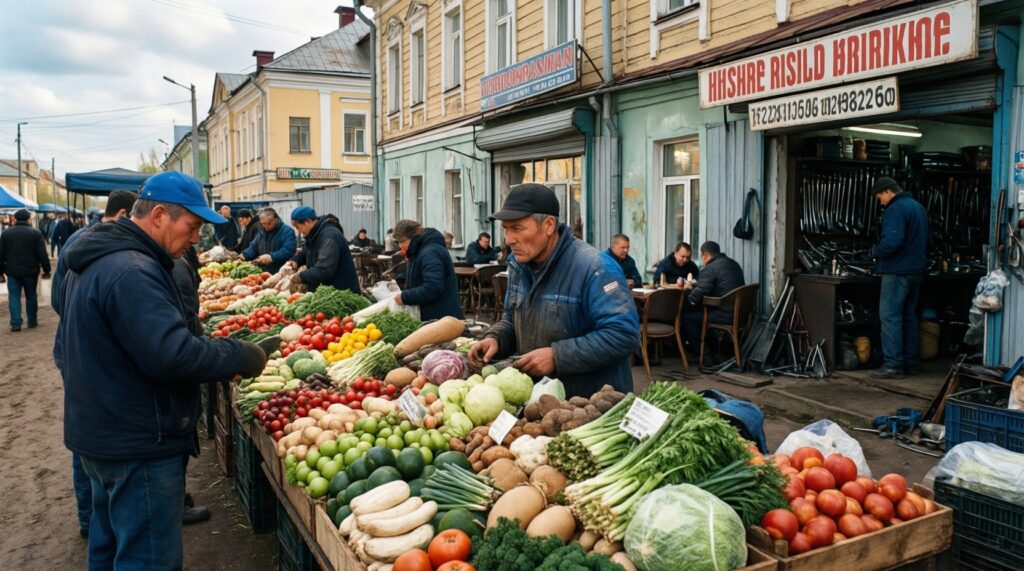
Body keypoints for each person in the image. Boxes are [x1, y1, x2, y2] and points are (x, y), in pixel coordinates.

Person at [54, 171, 267, 569]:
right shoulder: (132, 271)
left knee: (108, 546)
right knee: (148, 559)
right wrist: (237, 356)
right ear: (158, 216)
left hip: (101, 431)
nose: (195, 239)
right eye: (192, 227)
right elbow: (172, 355)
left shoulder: (98, 257)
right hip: (137, 442)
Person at [467, 184, 640, 397]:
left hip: (591, 403)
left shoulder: (595, 268)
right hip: (539, 400)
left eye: (517, 228)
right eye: (506, 229)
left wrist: (557, 357)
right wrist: (496, 339)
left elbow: (623, 335)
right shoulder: (518, 265)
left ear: (549, 225)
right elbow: (512, 320)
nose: (509, 239)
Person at [50, 190, 138, 537]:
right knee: (95, 432)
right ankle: (92, 515)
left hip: (72, 346)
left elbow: (59, 298)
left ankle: (92, 518)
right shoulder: (105, 246)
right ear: (124, 214)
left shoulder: (81, 241)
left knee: (88, 431)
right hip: (86, 350)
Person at [869, 177, 929, 379]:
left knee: (890, 316)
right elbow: (928, 241)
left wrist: (875, 250)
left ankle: (893, 365)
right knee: (908, 316)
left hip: (897, 271)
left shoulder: (895, 209)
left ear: (888, 192)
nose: (881, 202)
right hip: (916, 271)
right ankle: (911, 363)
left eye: (880, 197)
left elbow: (892, 242)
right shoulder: (918, 207)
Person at [681, 241, 745, 355]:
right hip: (741, 313)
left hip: (724, 315)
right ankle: (713, 350)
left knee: (687, 318)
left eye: (701, 256)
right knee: (698, 313)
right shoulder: (734, 264)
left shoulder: (710, 268)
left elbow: (695, 298)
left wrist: (688, 290)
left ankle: (704, 355)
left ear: (705, 255)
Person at [392, 219, 464, 321]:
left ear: (413, 237)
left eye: (402, 241)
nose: (400, 246)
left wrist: (405, 297)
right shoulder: (420, 250)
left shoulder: (430, 252)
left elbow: (433, 287)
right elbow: (419, 274)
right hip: (435, 315)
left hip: (440, 317)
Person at [287, 206, 361, 294]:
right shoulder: (313, 234)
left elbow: (323, 270)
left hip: (340, 293)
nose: (298, 231)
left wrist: (300, 277)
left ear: (308, 221)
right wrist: (296, 260)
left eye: (298, 227)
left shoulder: (329, 238)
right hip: (326, 293)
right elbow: (307, 251)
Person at [0, 209, 51, 331]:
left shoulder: (6, 234)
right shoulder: (36, 233)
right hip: (31, 271)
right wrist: (46, 270)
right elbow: (42, 254)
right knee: (31, 295)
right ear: (29, 219)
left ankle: (15, 323)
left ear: (15, 219)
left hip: (12, 271)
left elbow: (0, 254)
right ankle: (32, 321)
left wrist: (0, 272)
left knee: (14, 296)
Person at [242, 207, 296, 274]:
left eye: (268, 224)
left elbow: (288, 251)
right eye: (263, 224)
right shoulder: (262, 231)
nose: (265, 226)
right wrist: (244, 255)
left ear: (275, 219)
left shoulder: (287, 231)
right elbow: (253, 247)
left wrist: (271, 257)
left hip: (280, 273)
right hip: (263, 272)